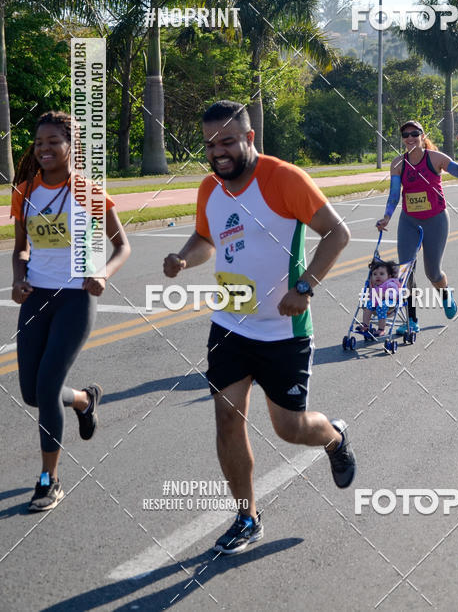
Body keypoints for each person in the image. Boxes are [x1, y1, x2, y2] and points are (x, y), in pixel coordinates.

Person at [163, 100, 355, 555]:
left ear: (249, 138)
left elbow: (337, 233)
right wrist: (184, 257)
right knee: (228, 417)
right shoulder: (210, 187)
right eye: (210, 144)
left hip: (283, 330)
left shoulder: (284, 178)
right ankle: (247, 517)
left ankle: (334, 436)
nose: (218, 151)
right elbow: (207, 239)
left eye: (227, 141)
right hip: (229, 324)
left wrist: (305, 286)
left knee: (290, 429)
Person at [11, 111, 131, 512]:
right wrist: (18, 277)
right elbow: (21, 248)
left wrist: (103, 274)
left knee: (46, 386)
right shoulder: (25, 190)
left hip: (76, 298)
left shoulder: (87, 191)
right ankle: (83, 400)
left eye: (53, 142)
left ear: (70, 147)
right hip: (36, 299)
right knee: (31, 392)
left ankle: (49, 480)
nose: (44, 149)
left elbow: (121, 246)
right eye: (39, 142)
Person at [376, 120, 458, 333]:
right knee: (405, 270)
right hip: (409, 221)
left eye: (414, 133)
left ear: (422, 135)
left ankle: (446, 294)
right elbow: (394, 195)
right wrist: (386, 218)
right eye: (405, 134)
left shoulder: (435, 158)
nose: (410, 138)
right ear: (402, 139)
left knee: (433, 273)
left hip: (435, 219)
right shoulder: (397, 163)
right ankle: (411, 321)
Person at [356, 259, 400, 337]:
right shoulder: (374, 285)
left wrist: (385, 295)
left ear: (389, 276)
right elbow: (371, 295)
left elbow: (395, 294)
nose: (378, 276)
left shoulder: (390, 283)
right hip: (376, 303)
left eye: (381, 274)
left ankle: (381, 329)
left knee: (381, 306)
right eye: (375, 274)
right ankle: (365, 325)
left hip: (390, 304)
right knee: (367, 304)